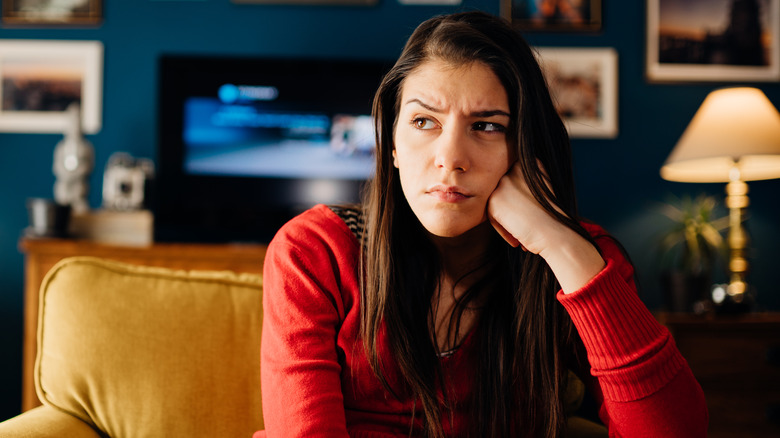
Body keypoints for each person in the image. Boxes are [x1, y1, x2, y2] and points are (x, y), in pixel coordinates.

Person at [256, 11, 708, 438]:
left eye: (488, 126)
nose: (450, 158)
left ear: (524, 148)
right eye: (422, 121)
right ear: (391, 143)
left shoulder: (579, 259)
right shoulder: (314, 251)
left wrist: (559, 244)